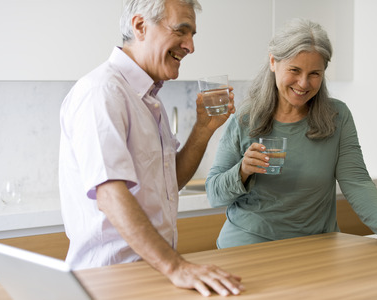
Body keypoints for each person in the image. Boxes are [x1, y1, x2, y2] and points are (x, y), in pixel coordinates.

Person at [59, 0, 244, 297]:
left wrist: (203, 130)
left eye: (193, 35)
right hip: (109, 282)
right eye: (182, 31)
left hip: (148, 275)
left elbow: (167, 185)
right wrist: (176, 267)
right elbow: (110, 194)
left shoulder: (146, 99)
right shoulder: (103, 92)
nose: (190, 46)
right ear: (140, 26)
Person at [206, 19, 377, 253]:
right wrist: (243, 170)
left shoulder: (337, 116)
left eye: (314, 73)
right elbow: (214, 193)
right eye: (294, 70)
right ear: (273, 62)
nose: (303, 83)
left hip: (316, 248)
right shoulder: (245, 118)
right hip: (247, 247)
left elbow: (356, 181)